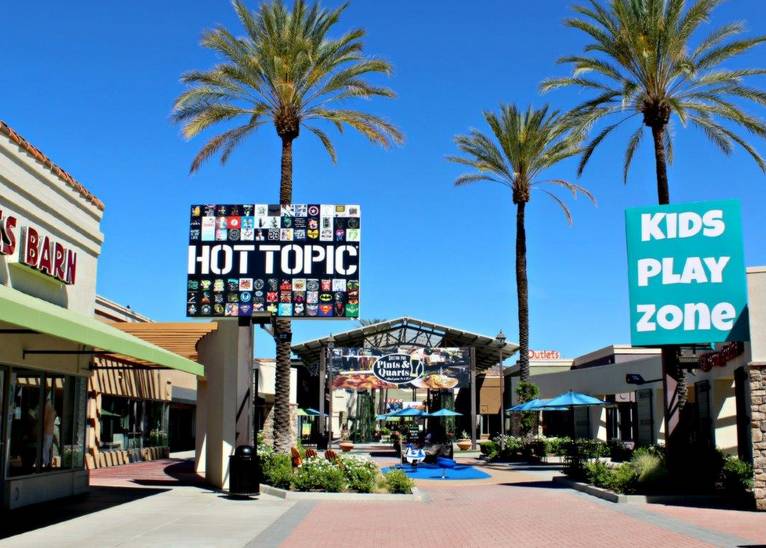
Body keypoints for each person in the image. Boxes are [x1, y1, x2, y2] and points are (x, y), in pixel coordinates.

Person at [42, 396, 57, 468]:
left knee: (45, 448)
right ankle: (46, 462)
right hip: (50, 431)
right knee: (47, 448)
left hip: (47, 431)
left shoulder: (47, 409)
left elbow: (45, 420)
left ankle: (45, 462)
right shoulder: (53, 410)